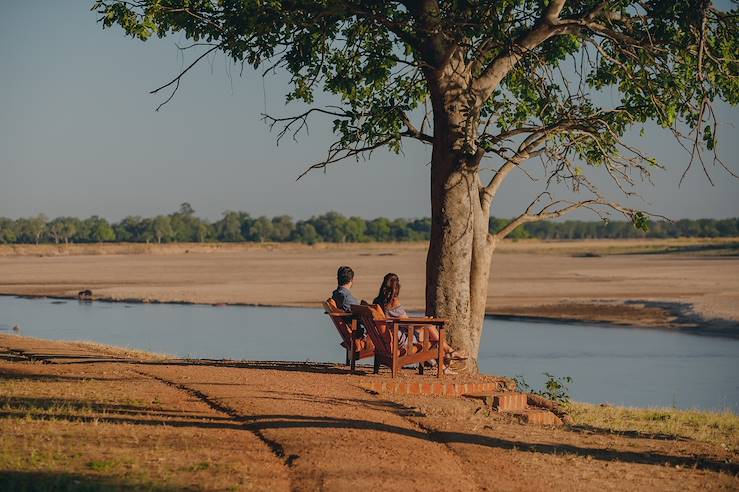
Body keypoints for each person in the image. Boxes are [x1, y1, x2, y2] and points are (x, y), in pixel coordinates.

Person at [372, 273, 466, 373]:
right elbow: (407, 323)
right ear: (397, 288)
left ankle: (444, 363)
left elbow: (402, 320)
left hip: (390, 339)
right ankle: (449, 353)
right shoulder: (394, 302)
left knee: (430, 332)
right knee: (430, 329)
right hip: (401, 341)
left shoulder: (377, 302)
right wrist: (423, 321)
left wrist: (422, 320)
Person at [332, 265, 365, 338]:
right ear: (351, 280)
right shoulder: (347, 298)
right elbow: (360, 315)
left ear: (338, 279)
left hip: (348, 332)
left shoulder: (335, 295)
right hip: (355, 332)